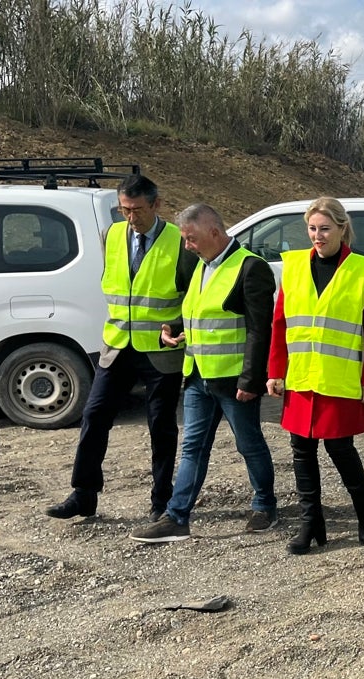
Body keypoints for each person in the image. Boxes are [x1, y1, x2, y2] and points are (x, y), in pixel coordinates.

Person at [45, 174, 196, 522]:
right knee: (94, 415)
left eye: (137, 210)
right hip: (116, 345)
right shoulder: (111, 235)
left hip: (160, 352)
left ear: (156, 205)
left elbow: (195, 296)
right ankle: (84, 494)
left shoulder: (178, 242)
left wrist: (179, 328)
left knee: (160, 426)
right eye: (124, 209)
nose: (131, 217)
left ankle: (162, 502)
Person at [129, 204, 277, 542]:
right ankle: (177, 517)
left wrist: (252, 379)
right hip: (197, 376)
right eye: (184, 239)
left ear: (214, 232)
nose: (187, 246)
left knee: (248, 444)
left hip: (232, 379)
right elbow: (201, 312)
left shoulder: (251, 268)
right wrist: (175, 328)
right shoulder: (201, 266)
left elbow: (259, 330)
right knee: (193, 446)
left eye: (191, 239)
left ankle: (264, 504)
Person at [266, 197, 364, 554]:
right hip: (301, 376)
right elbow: (280, 323)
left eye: (325, 229)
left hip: (339, 376)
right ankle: (310, 522)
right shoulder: (295, 266)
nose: (317, 236)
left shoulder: (363, 271)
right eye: (312, 229)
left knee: (339, 447)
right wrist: (275, 370)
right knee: (301, 449)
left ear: (342, 228)